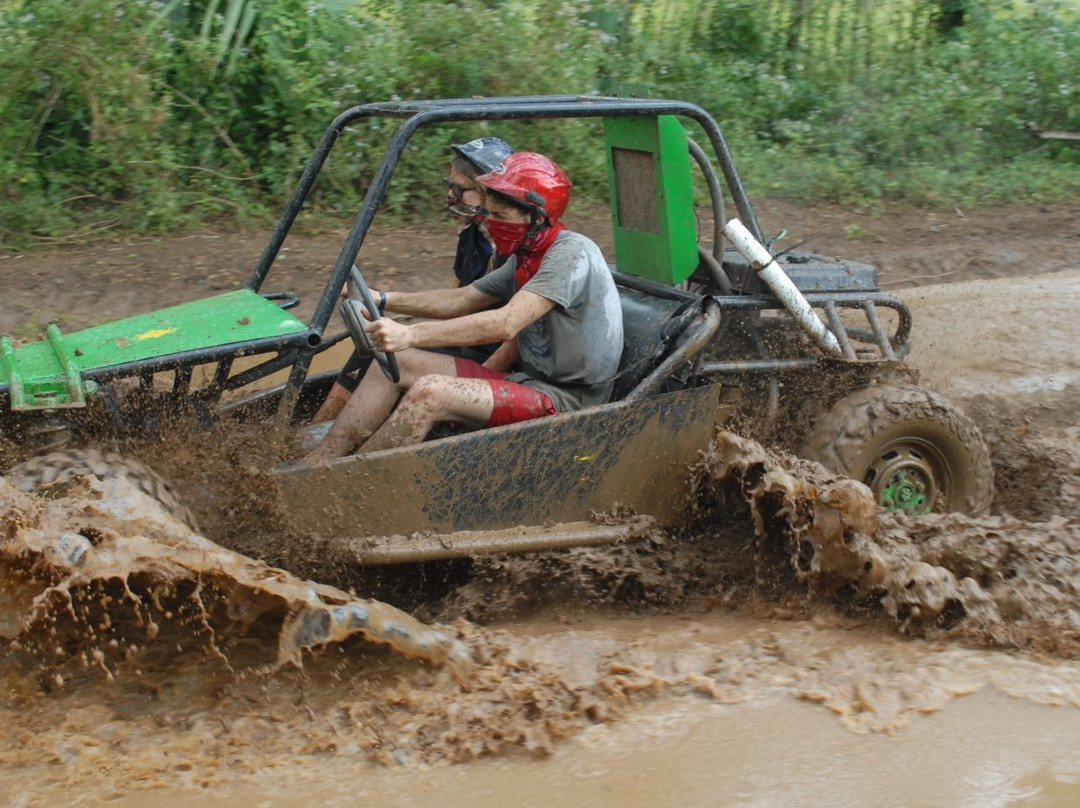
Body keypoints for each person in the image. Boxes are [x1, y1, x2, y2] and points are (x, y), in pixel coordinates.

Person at [300, 152, 624, 463]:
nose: (491, 224)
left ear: (537, 218)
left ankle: (354, 478)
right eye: (490, 214)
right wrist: (383, 298)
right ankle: (319, 461)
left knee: (430, 392)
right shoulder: (526, 256)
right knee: (398, 361)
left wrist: (410, 333)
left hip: (567, 400)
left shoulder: (569, 254)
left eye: (500, 216)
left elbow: (506, 323)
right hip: (526, 381)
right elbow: (462, 299)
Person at [311, 137, 514, 423]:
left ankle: (334, 427)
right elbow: (454, 298)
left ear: (488, 192)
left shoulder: (511, 249)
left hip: (489, 356)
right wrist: (401, 320)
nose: (451, 196)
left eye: (460, 189)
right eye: (449, 186)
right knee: (373, 344)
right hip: (465, 342)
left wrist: (477, 383)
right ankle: (322, 424)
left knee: (391, 354)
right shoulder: (472, 235)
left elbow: (512, 338)